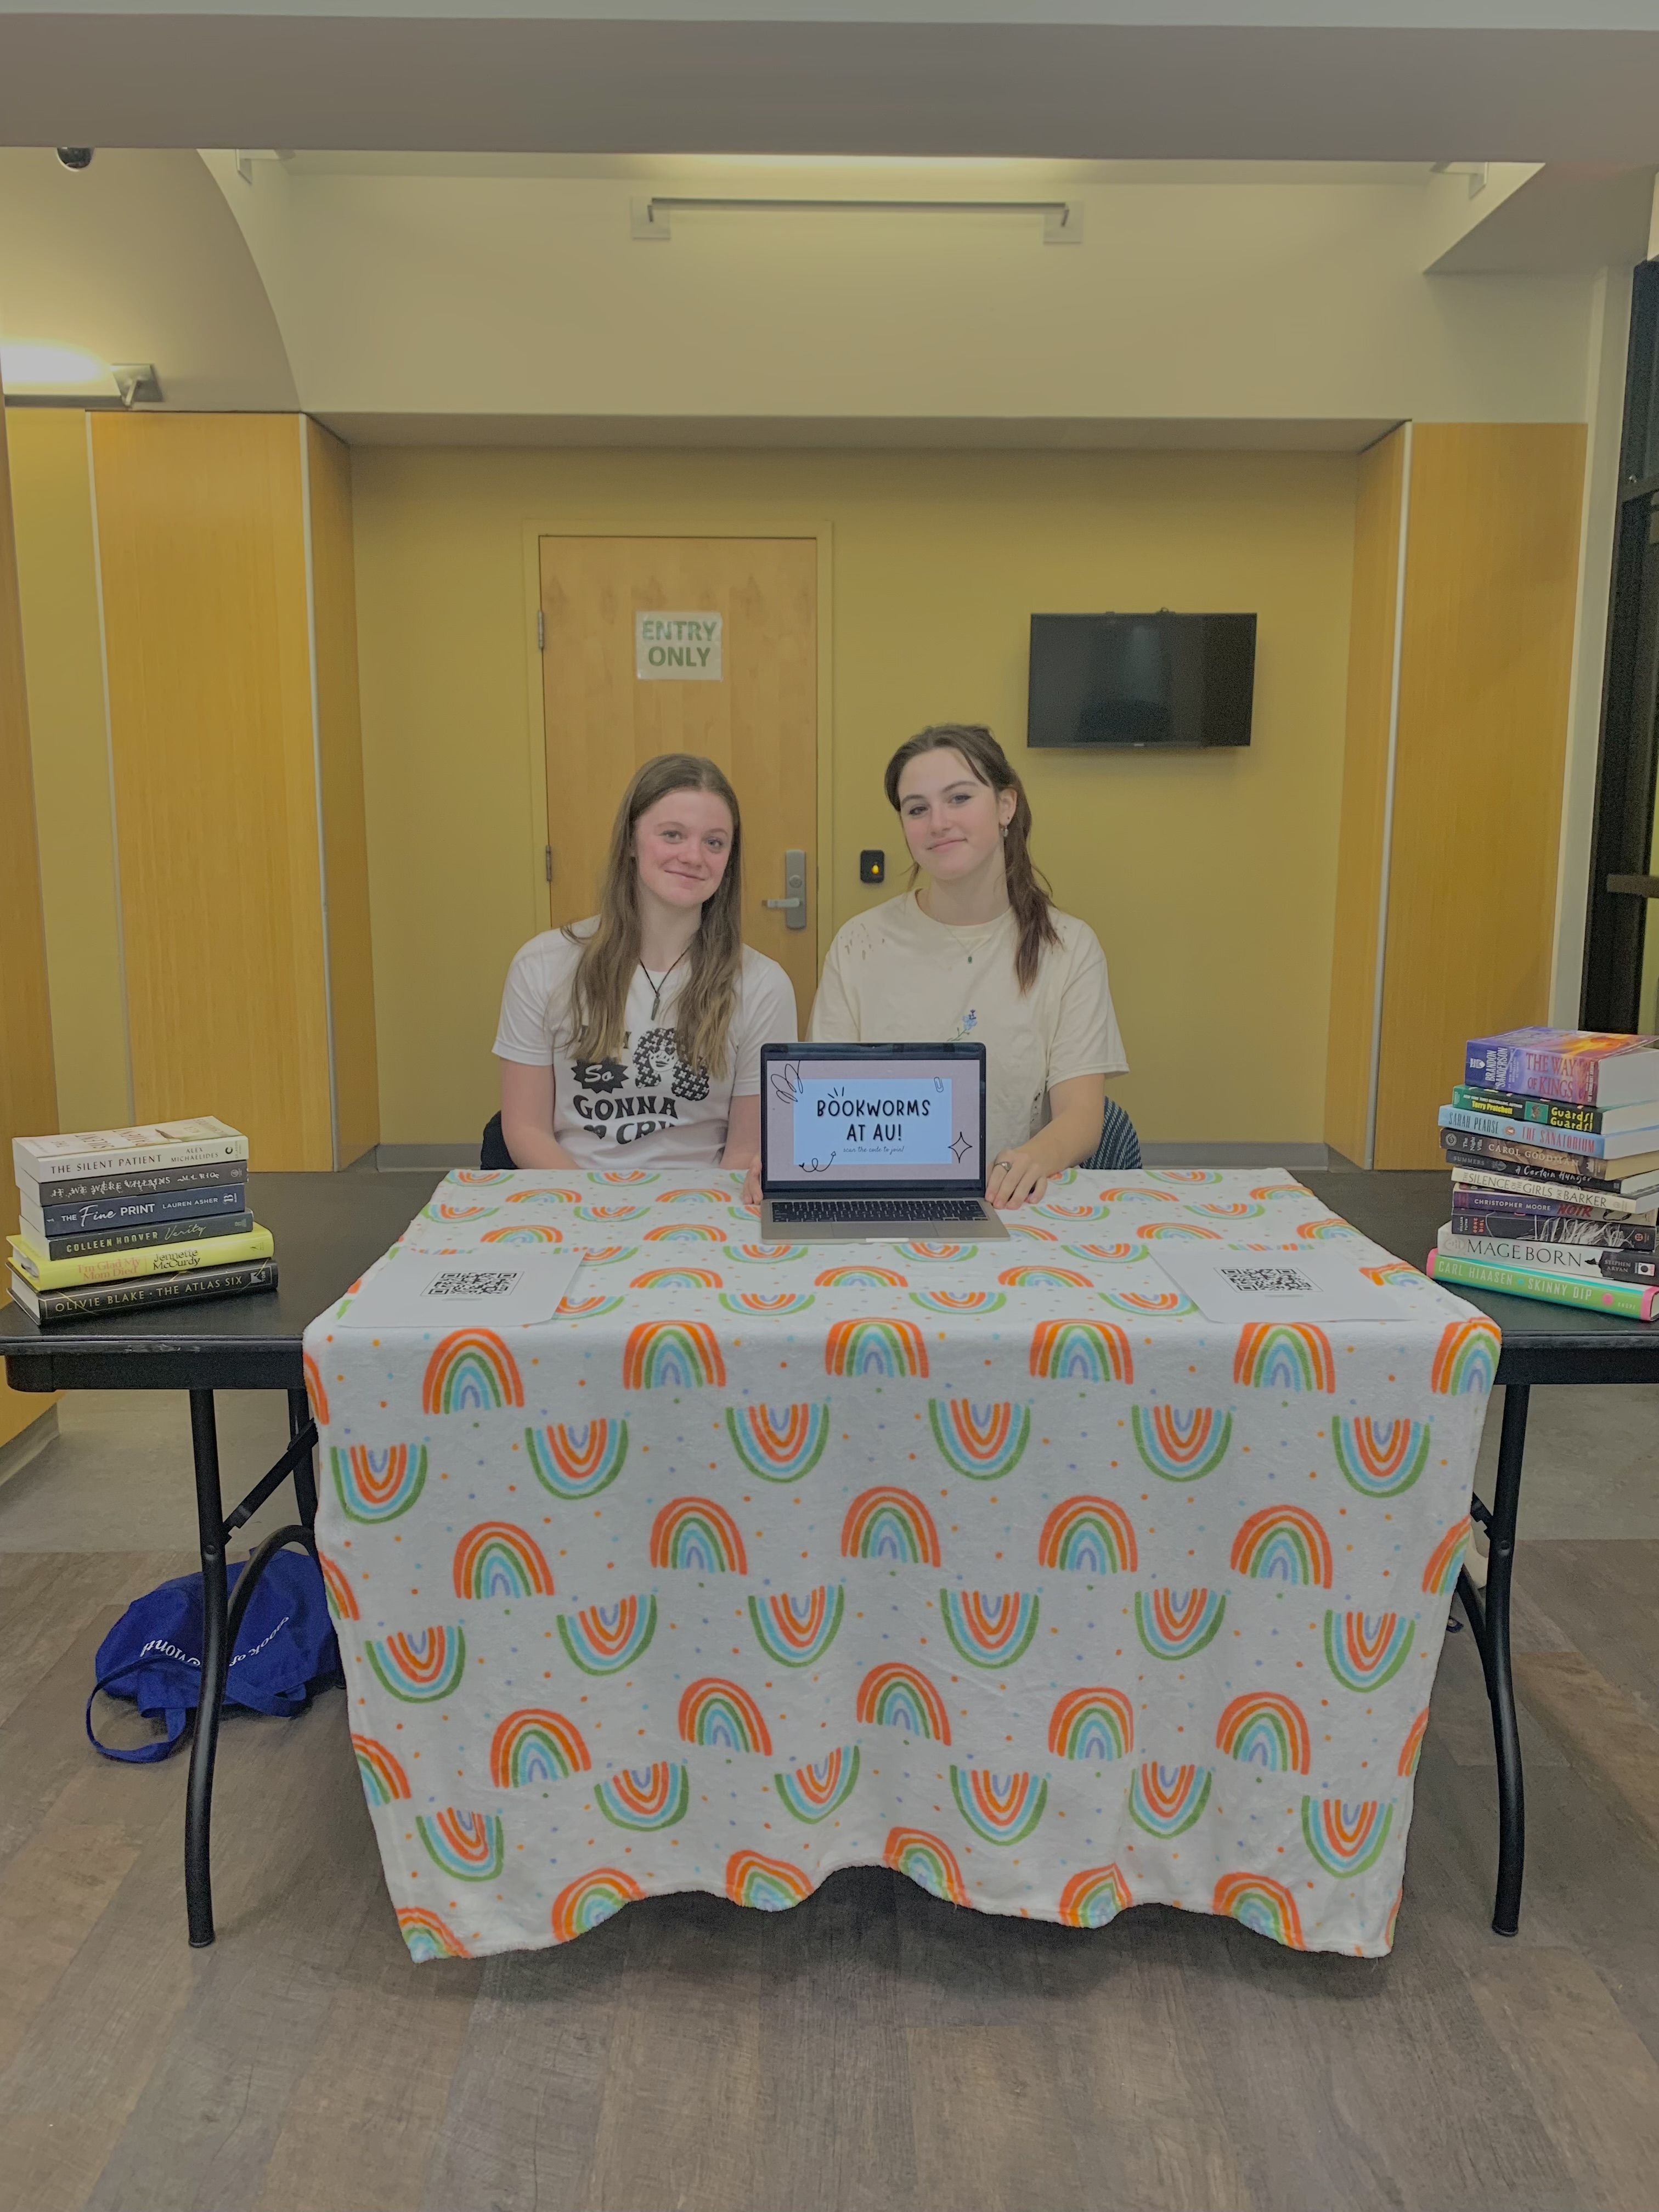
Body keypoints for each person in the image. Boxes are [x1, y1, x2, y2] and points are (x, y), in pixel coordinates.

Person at [804, 722, 1126, 1209]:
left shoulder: (1069, 947)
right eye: (917, 809)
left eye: (959, 798)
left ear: (1005, 805)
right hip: (879, 1199)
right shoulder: (859, 943)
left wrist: (1032, 1159)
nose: (938, 823)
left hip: (1011, 1208)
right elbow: (821, 1104)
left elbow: (1081, 1116)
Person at [493, 754, 797, 1171]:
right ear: (631, 843)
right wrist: (595, 1212)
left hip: (704, 1207)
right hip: (573, 1198)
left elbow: (745, 1152)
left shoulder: (764, 985)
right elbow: (526, 1130)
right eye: (673, 835)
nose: (694, 856)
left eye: (714, 842)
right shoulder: (541, 965)